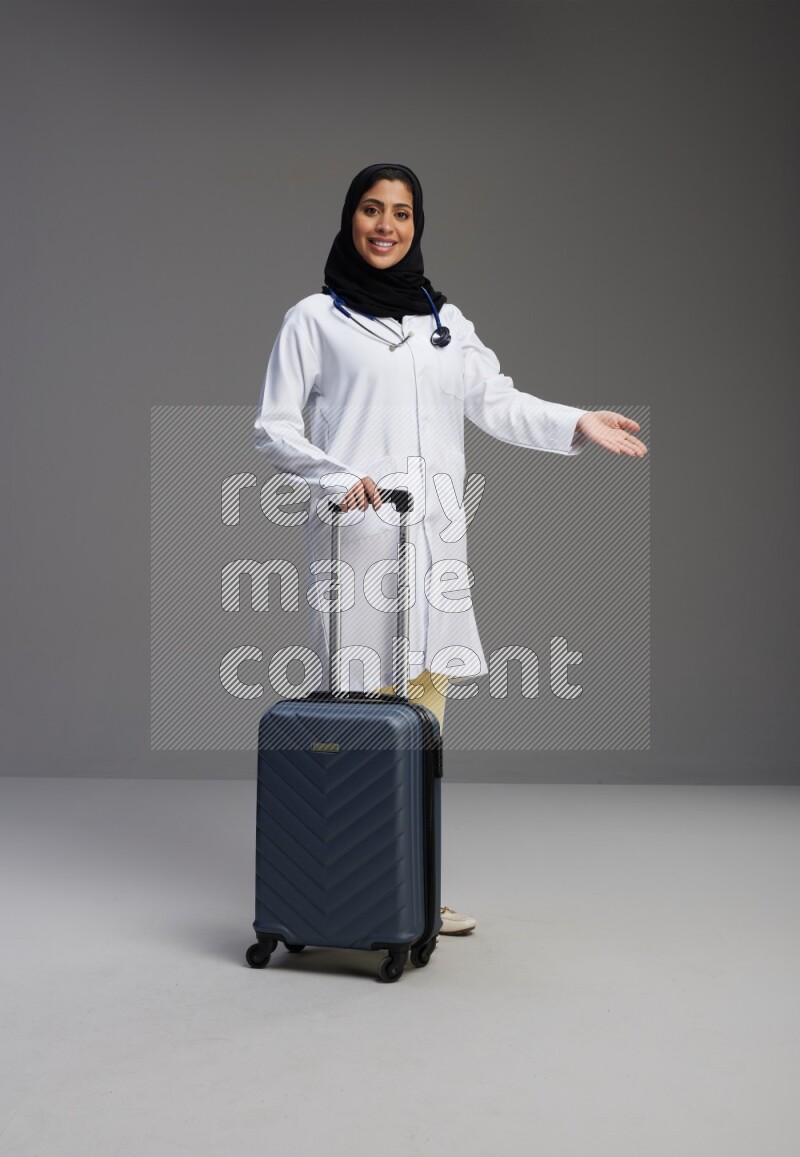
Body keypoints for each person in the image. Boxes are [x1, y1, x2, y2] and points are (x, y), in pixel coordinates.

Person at [254, 163, 647, 936]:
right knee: (360, 713)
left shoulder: (444, 322)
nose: (386, 225)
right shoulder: (314, 318)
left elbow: (495, 401)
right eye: (372, 209)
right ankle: (350, 891)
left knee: (424, 717)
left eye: (401, 212)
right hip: (360, 539)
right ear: (350, 218)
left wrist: (575, 422)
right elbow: (273, 426)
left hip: (433, 545)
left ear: (417, 225)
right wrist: (338, 477)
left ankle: (411, 887)